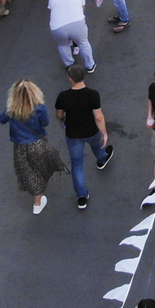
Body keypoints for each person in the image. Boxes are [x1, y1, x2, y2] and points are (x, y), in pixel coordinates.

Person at [0, 79, 67, 214]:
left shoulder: (11, 109)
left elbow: (1, 120)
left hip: (19, 146)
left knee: (29, 172)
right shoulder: (39, 108)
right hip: (37, 144)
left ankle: (37, 202)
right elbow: (45, 123)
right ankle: (38, 197)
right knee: (40, 168)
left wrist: (10, 108)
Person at [56, 63, 112, 210]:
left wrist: (62, 120)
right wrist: (104, 133)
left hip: (73, 135)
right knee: (98, 146)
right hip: (91, 131)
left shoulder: (63, 96)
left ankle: (81, 197)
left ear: (70, 78)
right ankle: (102, 159)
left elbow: (59, 114)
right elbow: (99, 117)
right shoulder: (93, 94)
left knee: (77, 165)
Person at [47, 0, 94, 72]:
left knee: (63, 45)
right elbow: (82, 9)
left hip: (58, 26)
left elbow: (52, 10)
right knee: (83, 43)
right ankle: (90, 65)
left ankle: (69, 65)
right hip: (77, 23)